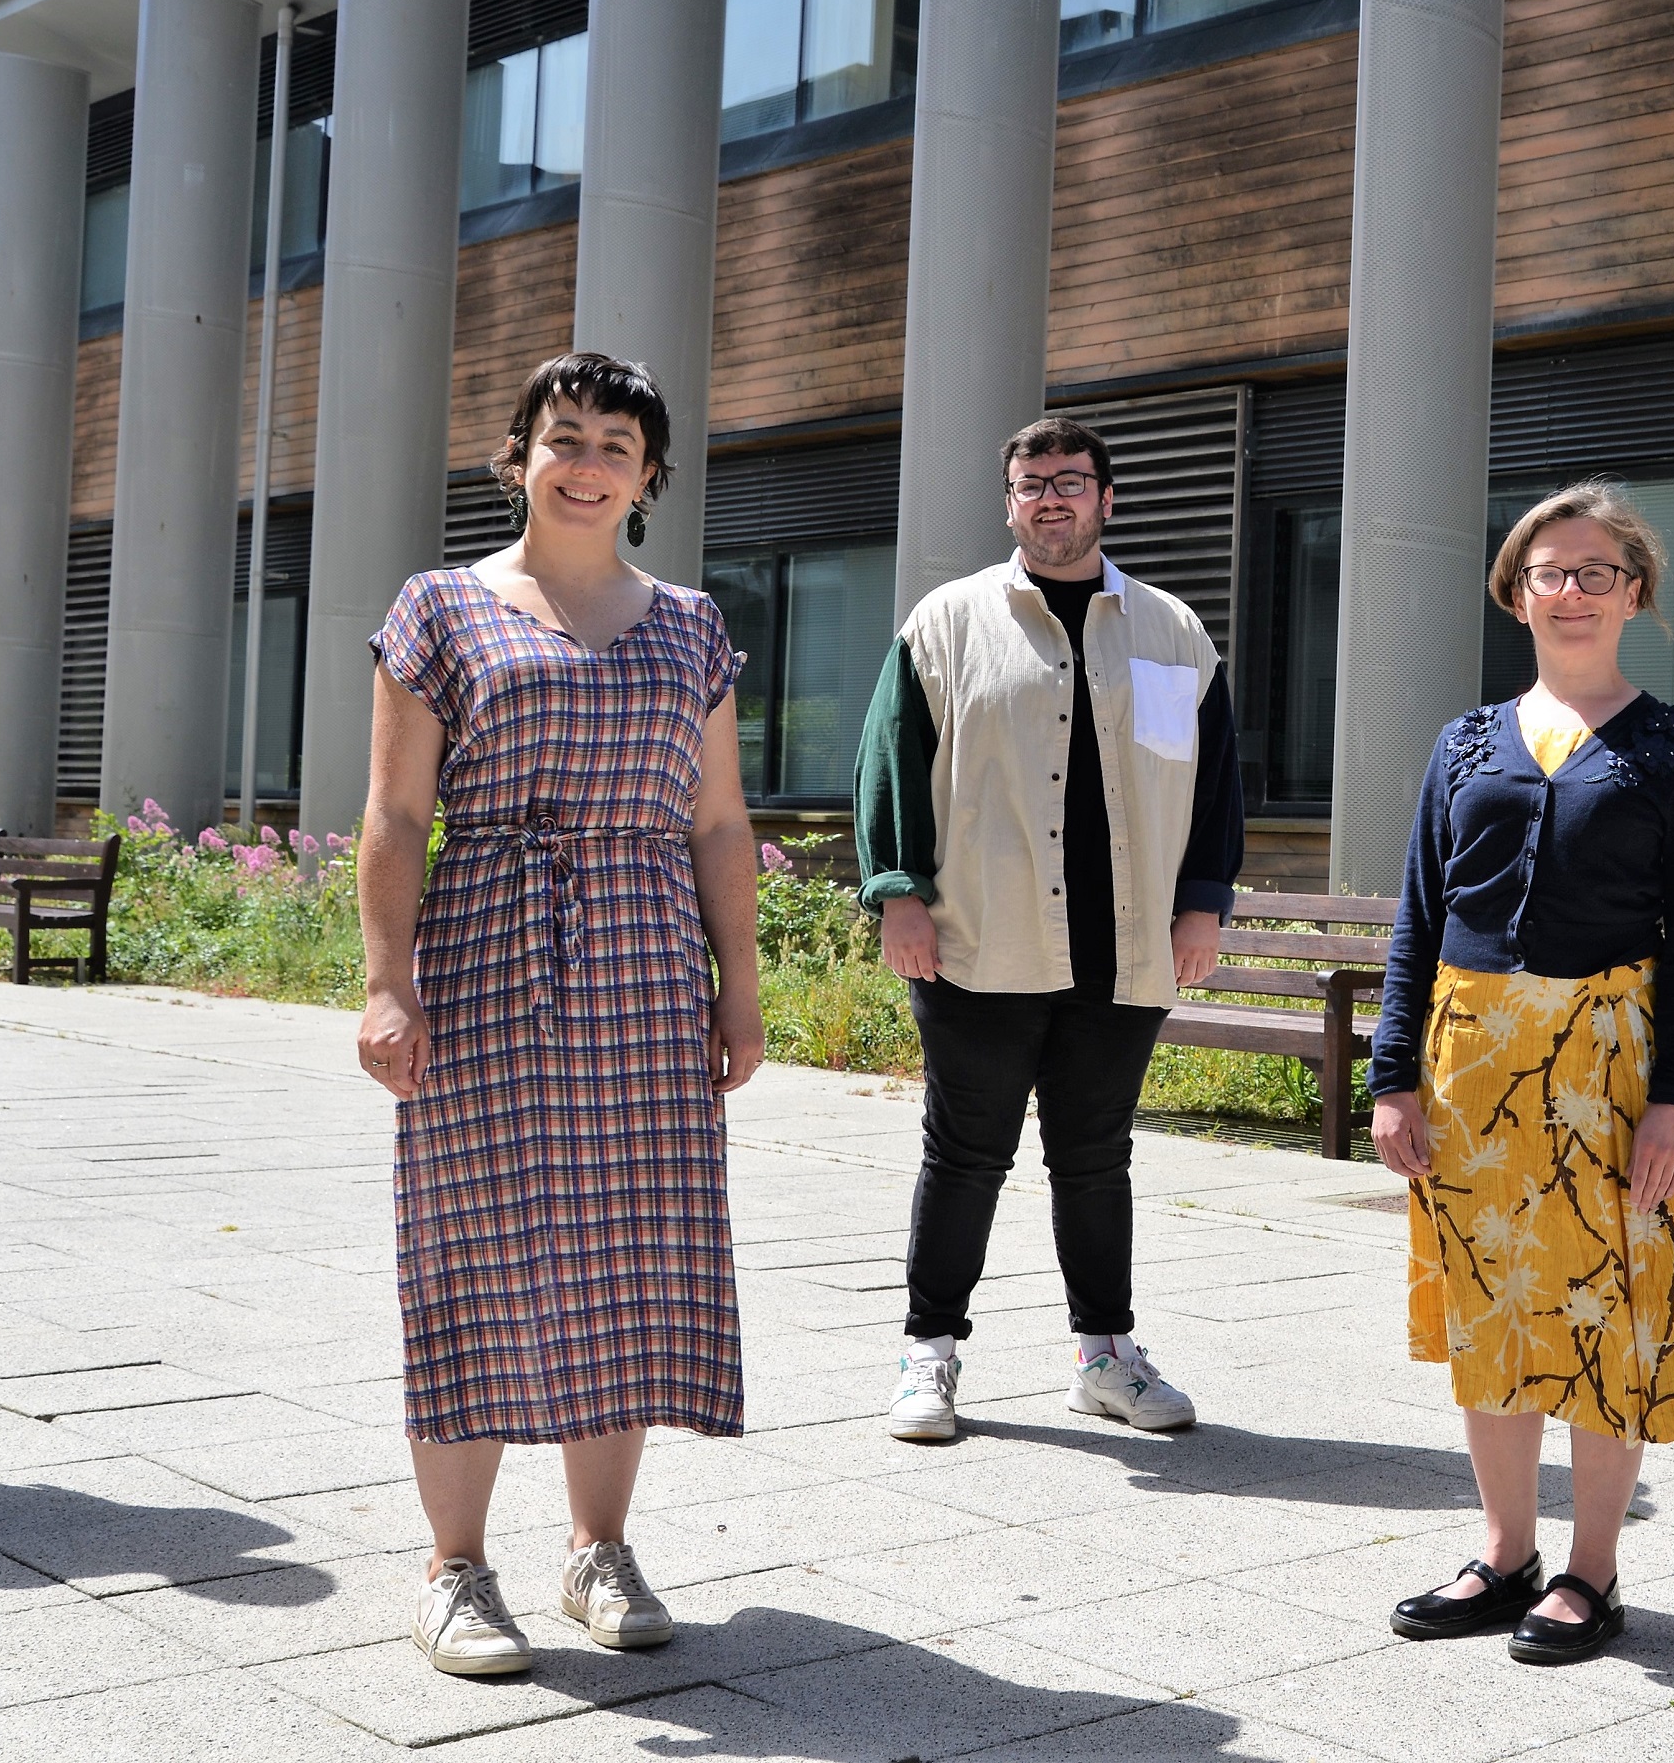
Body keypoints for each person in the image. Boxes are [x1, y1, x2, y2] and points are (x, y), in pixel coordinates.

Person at [357, 351, 765, 1676]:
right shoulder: (440, 607)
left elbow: (715, 818)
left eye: (615, 444)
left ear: (648, 476)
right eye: (564, 436)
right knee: (470, 1246)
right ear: (518, 454)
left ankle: (599, 1545)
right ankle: (455, 1564)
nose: (586, 461)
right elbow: (398, 813)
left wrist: (739, 987)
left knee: (629, 1255)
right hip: (485, 948)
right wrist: (385, 978)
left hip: (645, 963)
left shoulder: (694, 624)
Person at [1368, 483, 1674, 1667]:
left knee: (1603, 1314)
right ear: (1513, 592)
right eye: (1546, 571)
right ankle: (1504, 1548)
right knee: (1489, 1307)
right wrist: (1391, 1074)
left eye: (1593, 571)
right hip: (1470, 1060)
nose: (1567, 591)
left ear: (1634, 593)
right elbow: (1419, 915)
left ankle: (1589, 1570)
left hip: (1608, 1067)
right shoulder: (1462, 740)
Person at [854, 416, 1244, 1443]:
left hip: (1121, 946)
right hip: (978, 935)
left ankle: (1103, 1358)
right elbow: (889, 761)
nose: (1051, 499)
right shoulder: (945, 621)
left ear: (1106, 499)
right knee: (965, 1152)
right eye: (1031, 484)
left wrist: (1201, 901)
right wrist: (898, 891)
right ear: (1010, 501)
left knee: (1094, 1155)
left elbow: (1214, 785)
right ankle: (927, 1355)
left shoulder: (1171, 631)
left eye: (1070, 482)